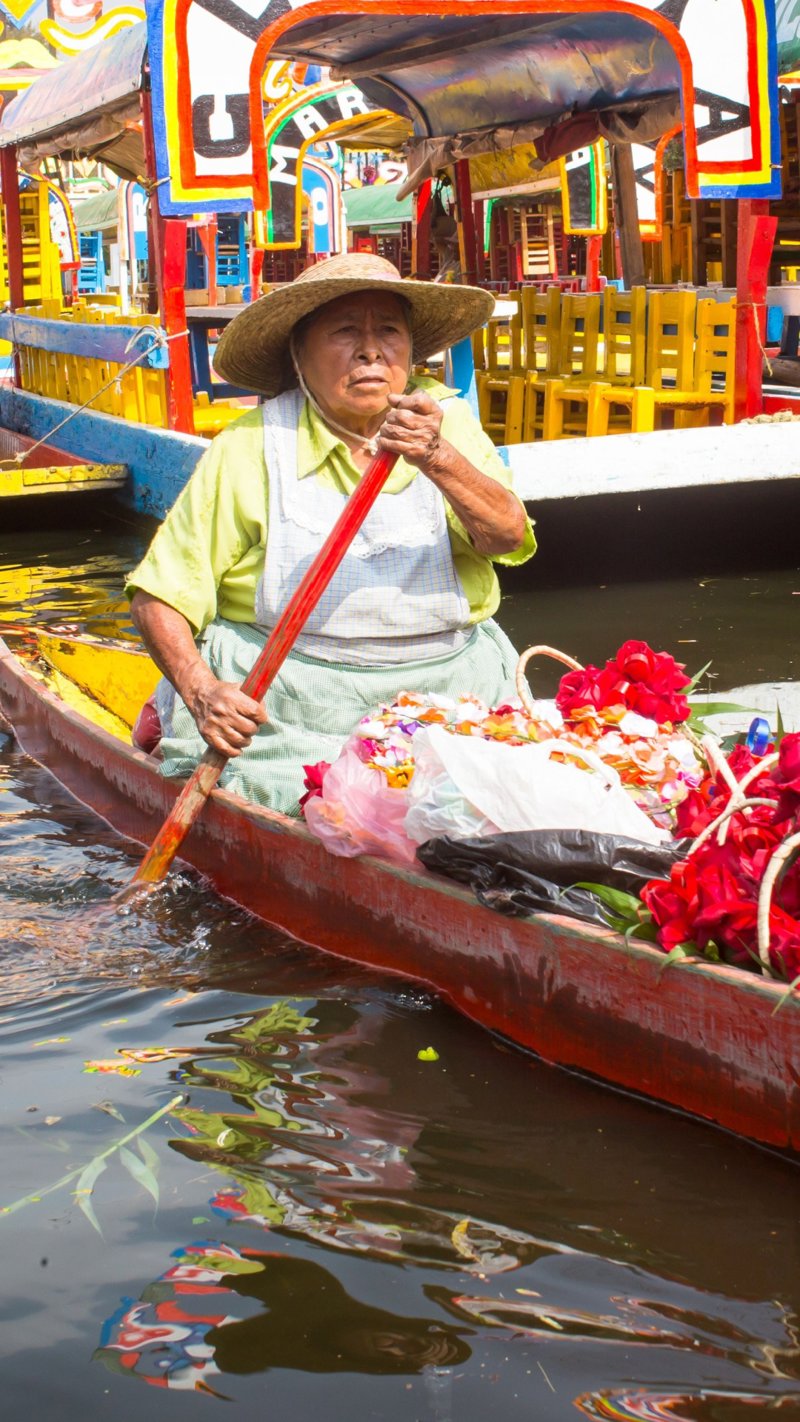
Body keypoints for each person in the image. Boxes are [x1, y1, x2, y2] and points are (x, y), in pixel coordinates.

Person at [126, 251, 536, 813]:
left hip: (451, 692)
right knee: (305, 806)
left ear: (412, 351)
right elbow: (160, 596)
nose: (371, 350)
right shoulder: (251, 446)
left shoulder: (448, 421)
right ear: (299, 354)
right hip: (291, 706)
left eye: (388, 331)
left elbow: (506, 537)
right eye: (345, 332)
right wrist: (202, 693)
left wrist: (437, 457)